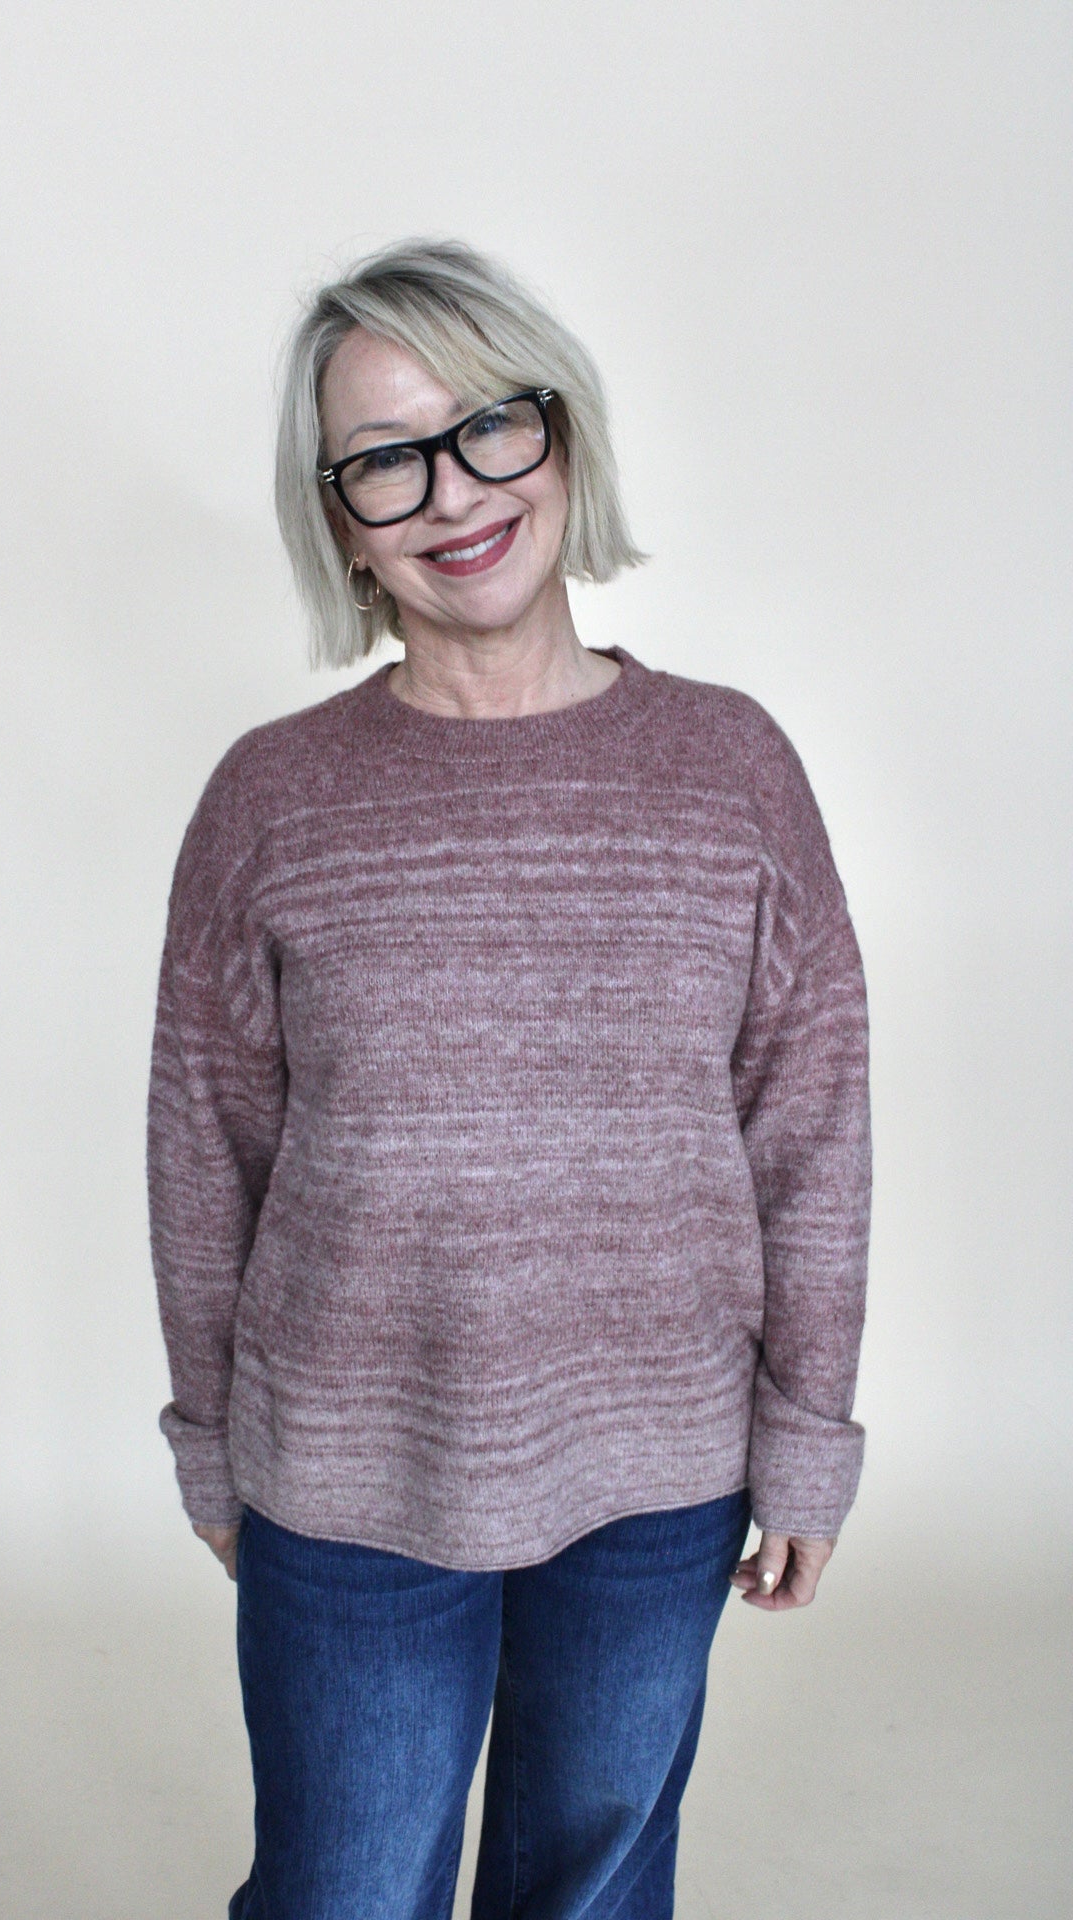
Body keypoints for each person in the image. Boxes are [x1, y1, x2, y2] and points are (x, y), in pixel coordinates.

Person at [146, 237, 871, 1920]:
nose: (451, 491)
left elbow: (811, 1123)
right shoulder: (271, 798)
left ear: (564, 436)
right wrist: (209, 1442)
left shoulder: (732, 767)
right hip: (349, 1468)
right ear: (341, 521)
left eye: (488, 425)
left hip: (659, 1461)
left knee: (592, 1888)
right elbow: (206, 1148)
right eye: (384, 459)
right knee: (343, 1893)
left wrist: (808, 1434)